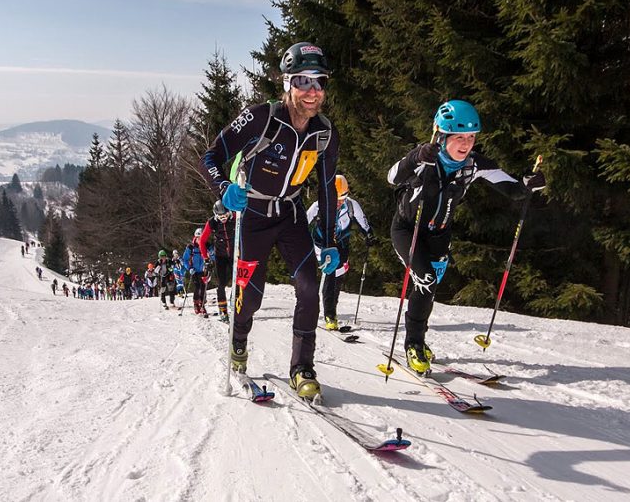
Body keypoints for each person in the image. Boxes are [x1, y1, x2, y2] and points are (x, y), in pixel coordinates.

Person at [199, 41, 339, 399]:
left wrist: (329, 240)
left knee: (310, 288)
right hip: (253, 216)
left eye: (319, 82)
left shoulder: (324, 133)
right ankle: (239, 341)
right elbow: (212, 154)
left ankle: (302, 369)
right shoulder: (261, 117)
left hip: (290, 214)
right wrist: (225, 187)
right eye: (303, 82)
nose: (312, 92)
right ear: (287, 83)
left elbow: (326, 188)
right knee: (252, 296)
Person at [387, 100, 545, 374]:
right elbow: (392, 178)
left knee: (429, 287)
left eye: (471, 137)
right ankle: (413, 344)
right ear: (441, 135)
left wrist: (528, 185)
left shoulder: (475, 165)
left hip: (439, 234)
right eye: (459, 137)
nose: (466, 144)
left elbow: (512, 189)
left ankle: (418, 340)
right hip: (406, 230)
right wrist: (415, 157)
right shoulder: (424, 157)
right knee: (424, 280)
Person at [306, 174, 375, 329]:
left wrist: (369, 235)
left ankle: (331, 309)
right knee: (330, 274)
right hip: (321, 246)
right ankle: (330, 315)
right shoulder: (318, 206)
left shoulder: (351, 206)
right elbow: (304, 221)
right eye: (336, 198)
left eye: (342, 198)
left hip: (342, 246)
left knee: (337, 278)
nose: (339, 202)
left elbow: (363, 222)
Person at [198, 201, 236, 321]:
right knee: (221, 284)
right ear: (216, 215)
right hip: (221, 256)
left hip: (236, 254)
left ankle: (236, 304)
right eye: (220, 217)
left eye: (225, 216)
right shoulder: (212, 223)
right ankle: (223, 311)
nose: (223, 219)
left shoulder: (236, 217)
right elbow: (202, 241)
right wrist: (206, 258)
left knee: (239, 282)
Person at [182, 229, 210, 316]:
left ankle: (202, 305)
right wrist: (189, 268)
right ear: (195, 237)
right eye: (198, 238)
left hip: (203, 270)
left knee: (203, 287)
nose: (199, 240)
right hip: (194, 271)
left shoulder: (206, 246)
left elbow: (212, 255)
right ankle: (196, 304)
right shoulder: (191, 248)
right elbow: (185, 260)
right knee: (197, 286)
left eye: (201, 238)